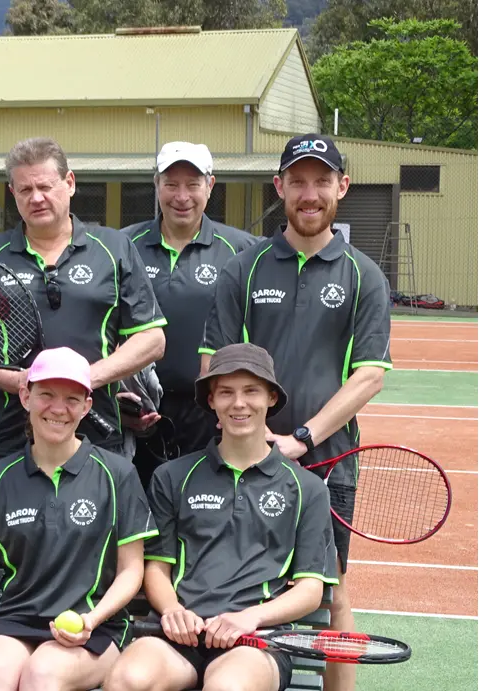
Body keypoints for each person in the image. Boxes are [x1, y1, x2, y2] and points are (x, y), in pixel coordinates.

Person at [199, 134, 392, 691]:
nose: (310, 194)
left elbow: (369, 375)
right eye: (298, 181)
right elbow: (215, 363)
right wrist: (253, 441)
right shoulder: (245, 268)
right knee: (238, 583)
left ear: (342, 187)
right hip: (244, 459)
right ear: (279, 187)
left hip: (328, 463)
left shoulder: (364, 276)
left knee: (333, 591)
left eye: (321, 181)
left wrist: (302, 438)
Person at [105, 343, 339, 691]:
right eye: (226, 392)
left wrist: (249, 618)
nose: (239, 403)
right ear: (212, 401)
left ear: (271, 398)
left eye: (251, 391)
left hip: (255, 643)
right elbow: (156, 566)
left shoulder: (307, 489)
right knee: (127, 680)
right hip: (176, 638)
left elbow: (309, 589)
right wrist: (172, 610)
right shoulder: (172, 477)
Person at [0, 347, 157, 691]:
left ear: (87, 406)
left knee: (42, 675)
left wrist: (91, 619)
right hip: (13, 621)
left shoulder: (117, 474)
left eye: (71, 398)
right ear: (25, 396)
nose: (58, 409)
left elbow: (131, 571)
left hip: (95, 627)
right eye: (46, 395)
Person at [0, 137, 167, 463]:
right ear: (12, 193)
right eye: (25, 190)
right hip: (9, 440)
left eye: (45, 186)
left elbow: (152, 339)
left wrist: (87, 378)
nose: (37, 198)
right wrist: (16, 382)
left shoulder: (114, 248)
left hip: (99, 435)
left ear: (69, 183)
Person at [122, 142, 258, 486]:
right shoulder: (122, 246)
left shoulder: (243, 250)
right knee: (142, 522)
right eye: (171, 184)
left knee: (203, 518)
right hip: (138, 416)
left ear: (210, 187)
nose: (181, 196)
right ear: (156, 185)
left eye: (193, 184)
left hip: (210, 416)